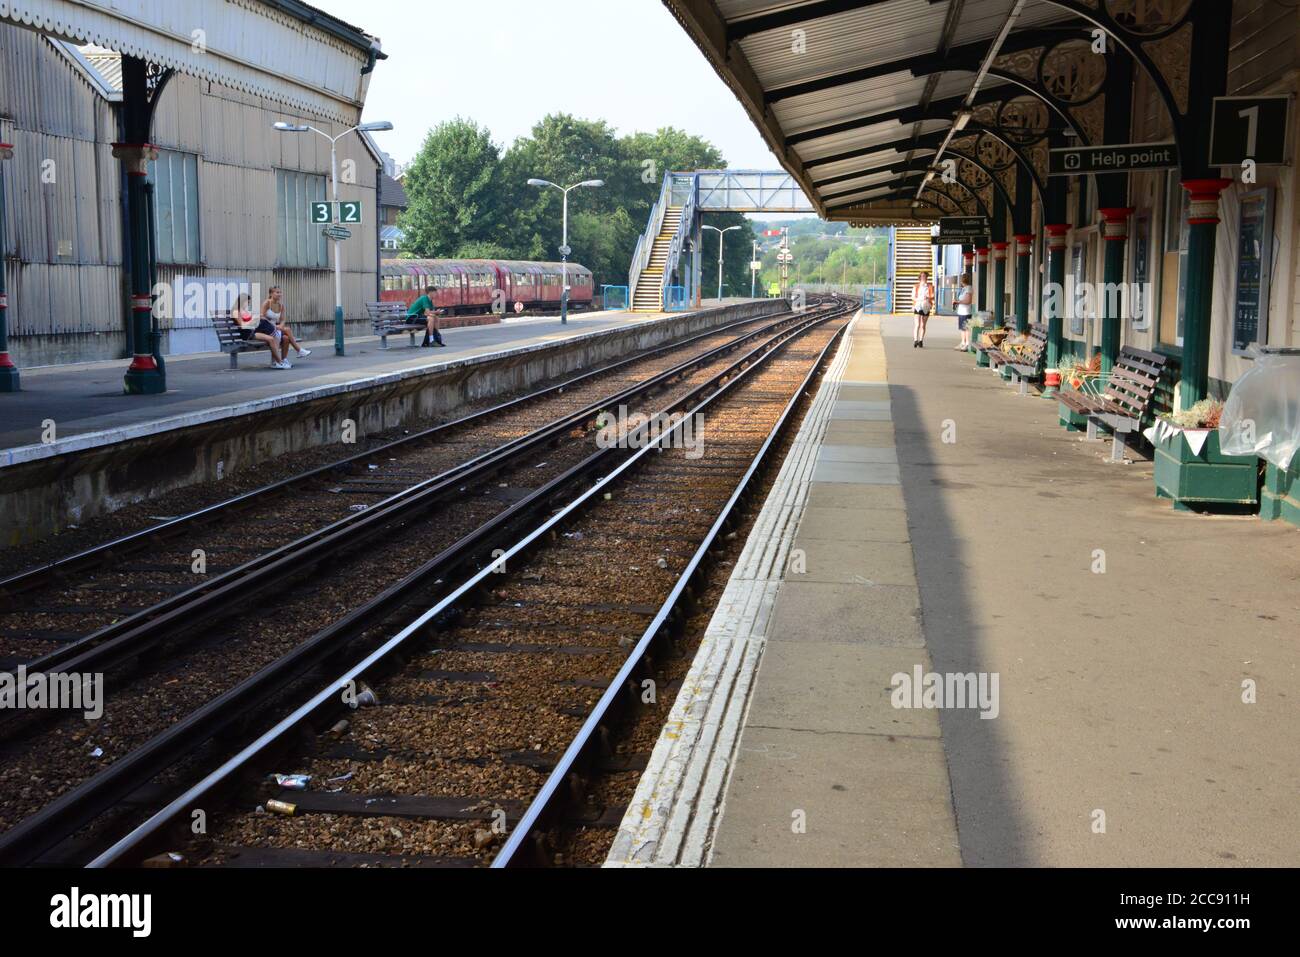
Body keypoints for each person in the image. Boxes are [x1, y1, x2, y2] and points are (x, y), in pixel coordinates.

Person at [232, 293, 290, 369]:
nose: (248, 304)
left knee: (268, 330)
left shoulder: (244, 311)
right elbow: (242, 325)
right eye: (248, 302)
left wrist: (257, 317)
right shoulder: (236, 311)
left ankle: (276, 362)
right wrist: (254, 320)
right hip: (247, 334)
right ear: (242, 301)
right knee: (271, 338)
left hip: (253, 331)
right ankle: (279, 362)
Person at [259, 286, 311, 368]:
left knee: (286, 338)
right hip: (266, 329)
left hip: (276, 328)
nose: (279, 294)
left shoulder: (281, 306)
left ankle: (283, 360)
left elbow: (283, 320)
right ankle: (299, 350)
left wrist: (281, 325)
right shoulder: (267, 303)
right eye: (277, 292)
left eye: (280, 292)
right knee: (287, 329)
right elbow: (261, 316)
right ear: (271, 294)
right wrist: (273, 325)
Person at [912, 271, 935, 348]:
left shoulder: (930, 286)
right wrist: (918, 299)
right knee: (917, 324)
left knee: (923, 325)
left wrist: (928, 297)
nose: (923, 278)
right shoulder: (916, 286)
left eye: (924, 276)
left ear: (926, 277)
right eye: (921, 276)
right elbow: (912, 297)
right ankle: (915, 340)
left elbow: (933, 296)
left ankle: (921, 340)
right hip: (918, 306)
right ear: (919, 277)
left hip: (926, 306)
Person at [954, 272, 974, 351]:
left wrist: (958, 302)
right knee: (962, 328)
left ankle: (967, 343)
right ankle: (963, 342)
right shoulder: (963, 289)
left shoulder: (968, 288)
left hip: (966, 311)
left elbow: (968, 301)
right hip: (961, 311)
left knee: (966, 328)